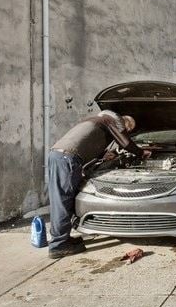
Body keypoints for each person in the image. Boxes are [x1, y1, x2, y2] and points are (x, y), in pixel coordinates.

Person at [46, 110, 145, 258]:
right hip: (68, 158)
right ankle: (58, 245)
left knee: (59, 199)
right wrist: (141, 153)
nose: (126, 132)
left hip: (58, 154)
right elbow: (125, 142)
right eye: (128, 130)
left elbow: (87, 142)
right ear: (125, 123)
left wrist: (103, 154)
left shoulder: (96, 120)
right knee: (63, 201)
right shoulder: (113, 118)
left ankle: (61, 238)